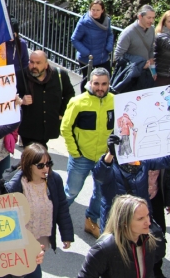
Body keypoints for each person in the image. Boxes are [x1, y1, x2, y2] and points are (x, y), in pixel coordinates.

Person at [5, 143, 74, 278]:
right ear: (29, 165)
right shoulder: (15, 185)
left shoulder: (54, 180)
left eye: (48, 164)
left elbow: (62, 208)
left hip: (40, 237)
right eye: (41, 165)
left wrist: (67, 235)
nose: (46, 168)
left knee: (33, 267)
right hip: (19, 242)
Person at [60, 67, 114, 239]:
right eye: (96, 83)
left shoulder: (115, 101)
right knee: (71, 192)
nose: (100, 87)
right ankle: (53, 217)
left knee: (100, 193)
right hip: (81, 157)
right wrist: (75, 153)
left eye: (104, 84)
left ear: (109, 84)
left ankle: (91, 221)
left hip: (104, 159)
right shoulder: (78, 102)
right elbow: (65, 128)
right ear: (90, 83)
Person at [77, 195, 158, 278]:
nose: (148, 222)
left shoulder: (148, 240)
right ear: (125, 222)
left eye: (147, 215)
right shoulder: (104, 248)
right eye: (140, 219)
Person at [17, 50, 75, 148]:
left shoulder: (60, 76)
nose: (34, 66)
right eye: (31, 62)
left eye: (38, 63)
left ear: (46, 65)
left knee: (37, 155)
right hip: (29, 128)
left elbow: (70, 94)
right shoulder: (21, 76)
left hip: (48, 126)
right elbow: (10, 97)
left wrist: (61, 113)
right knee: (36, 155)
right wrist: (22, 101)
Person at [114, 4, 157, 90]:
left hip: (145, 74)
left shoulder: (152, 29)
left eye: (153, 18)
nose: (151, 20)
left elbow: (150, 50)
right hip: (131, 75)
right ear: (140, 16)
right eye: (149, 18)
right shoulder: (128, 33)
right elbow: (118, 56)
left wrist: (153, 70)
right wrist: (139, 62)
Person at [71, 0, 115, 79]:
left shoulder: (107, 21)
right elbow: (74, 39)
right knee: (87, 81)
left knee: (106, 79)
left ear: (102, 10)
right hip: (87, 59)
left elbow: (110, 34)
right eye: (93, 10)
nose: (95, 12)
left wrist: (109, 47)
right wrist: (86, 52)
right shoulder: (84, 22)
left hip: (103, 58)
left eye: (98, 10)